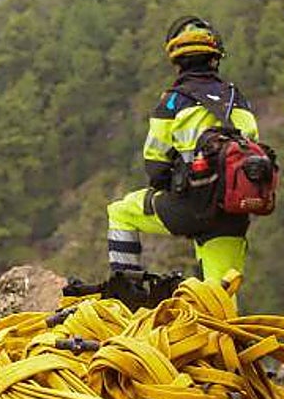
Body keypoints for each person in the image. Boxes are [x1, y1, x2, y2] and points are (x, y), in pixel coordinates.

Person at [105, 16, 261, 288]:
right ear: (216, 56)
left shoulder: (174, 100)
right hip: (232, 212)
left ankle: (125, 293)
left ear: (176, 61)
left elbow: (154, 166)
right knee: (220, 298)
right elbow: (253, 149)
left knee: (120, 212)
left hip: (188, 207)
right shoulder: (238, 99)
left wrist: (179, 189)